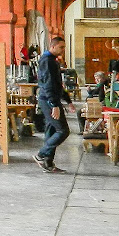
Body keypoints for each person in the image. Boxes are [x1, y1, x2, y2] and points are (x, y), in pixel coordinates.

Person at [33, 37, 76, 173]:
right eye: (61, 47)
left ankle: (48, 163)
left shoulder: (52, 61)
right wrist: (54, 104)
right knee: (63, 130)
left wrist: (68, 101)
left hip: (50, 100)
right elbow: (48, 85)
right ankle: (41, 154)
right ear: (53, 47)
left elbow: (57, 85)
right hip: (48, 101)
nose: (63, 50)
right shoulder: (47, 62)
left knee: (51, 131)